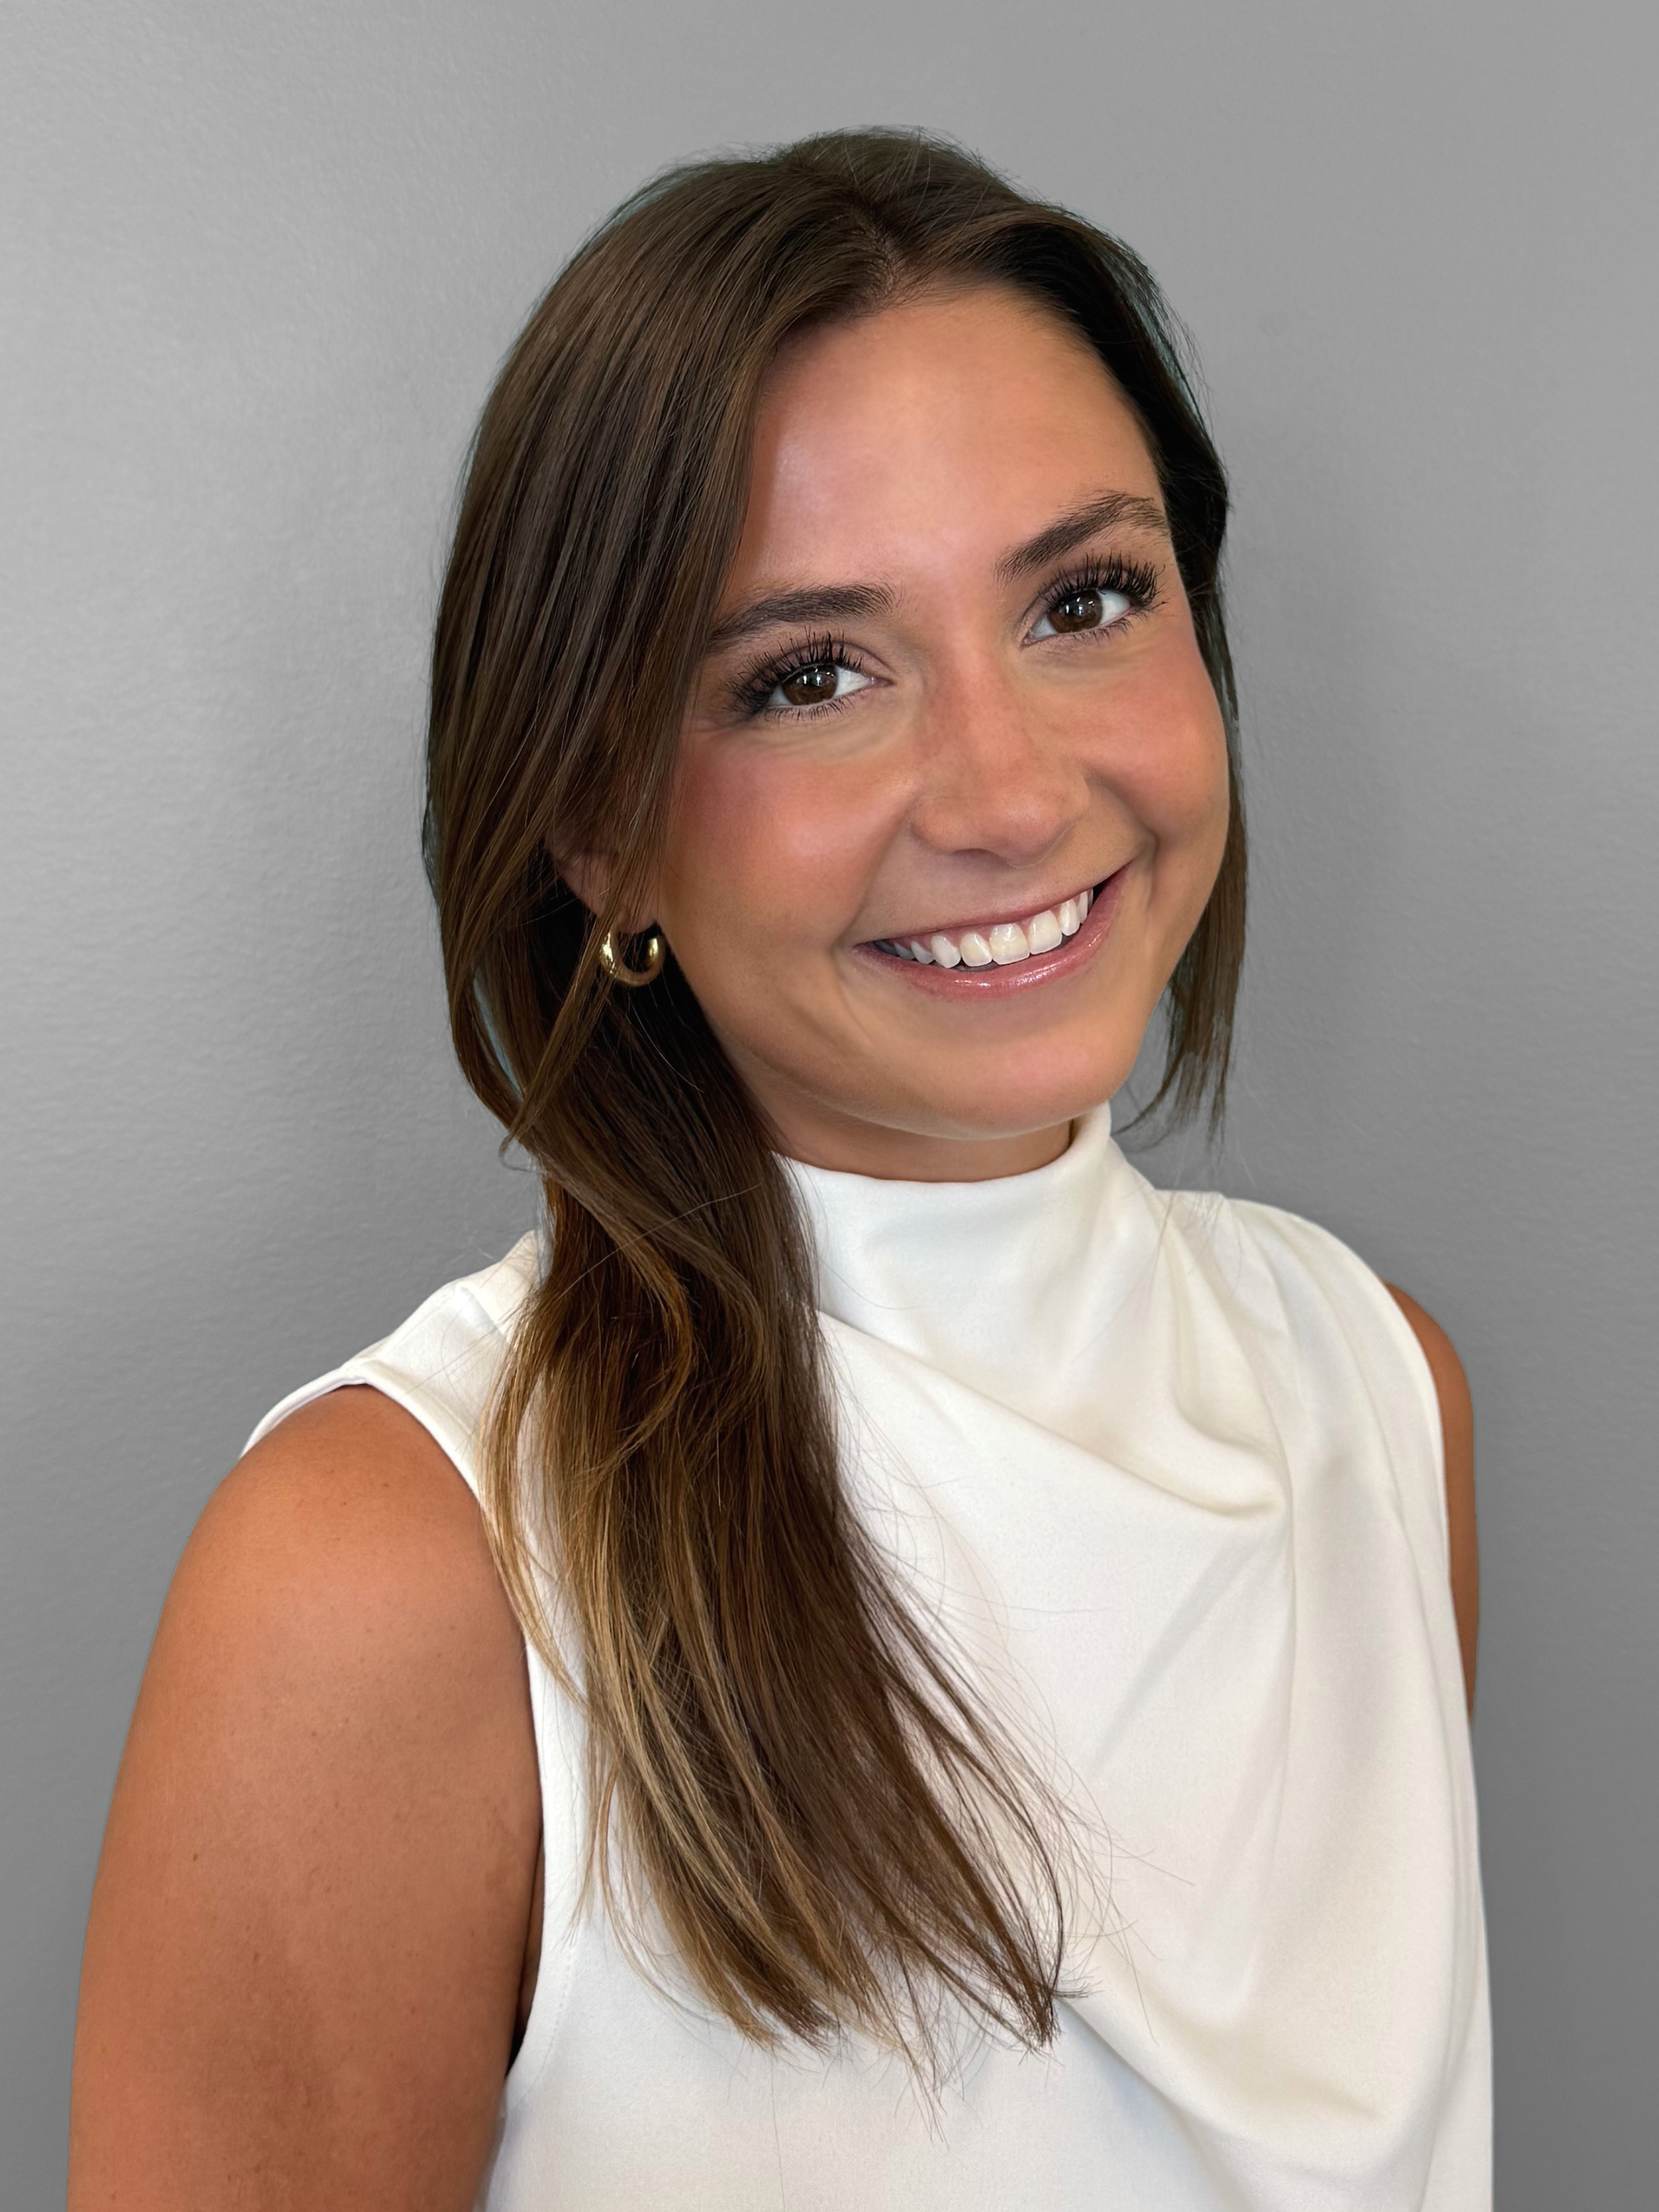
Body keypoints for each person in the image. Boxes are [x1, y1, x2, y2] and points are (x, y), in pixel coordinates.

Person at [67, 129, 1489, 2208]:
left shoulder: (1380, 1391)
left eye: (1085, 596)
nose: (1008, 791)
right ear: (597, 823)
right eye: (810, 673)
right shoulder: (389, 1580)